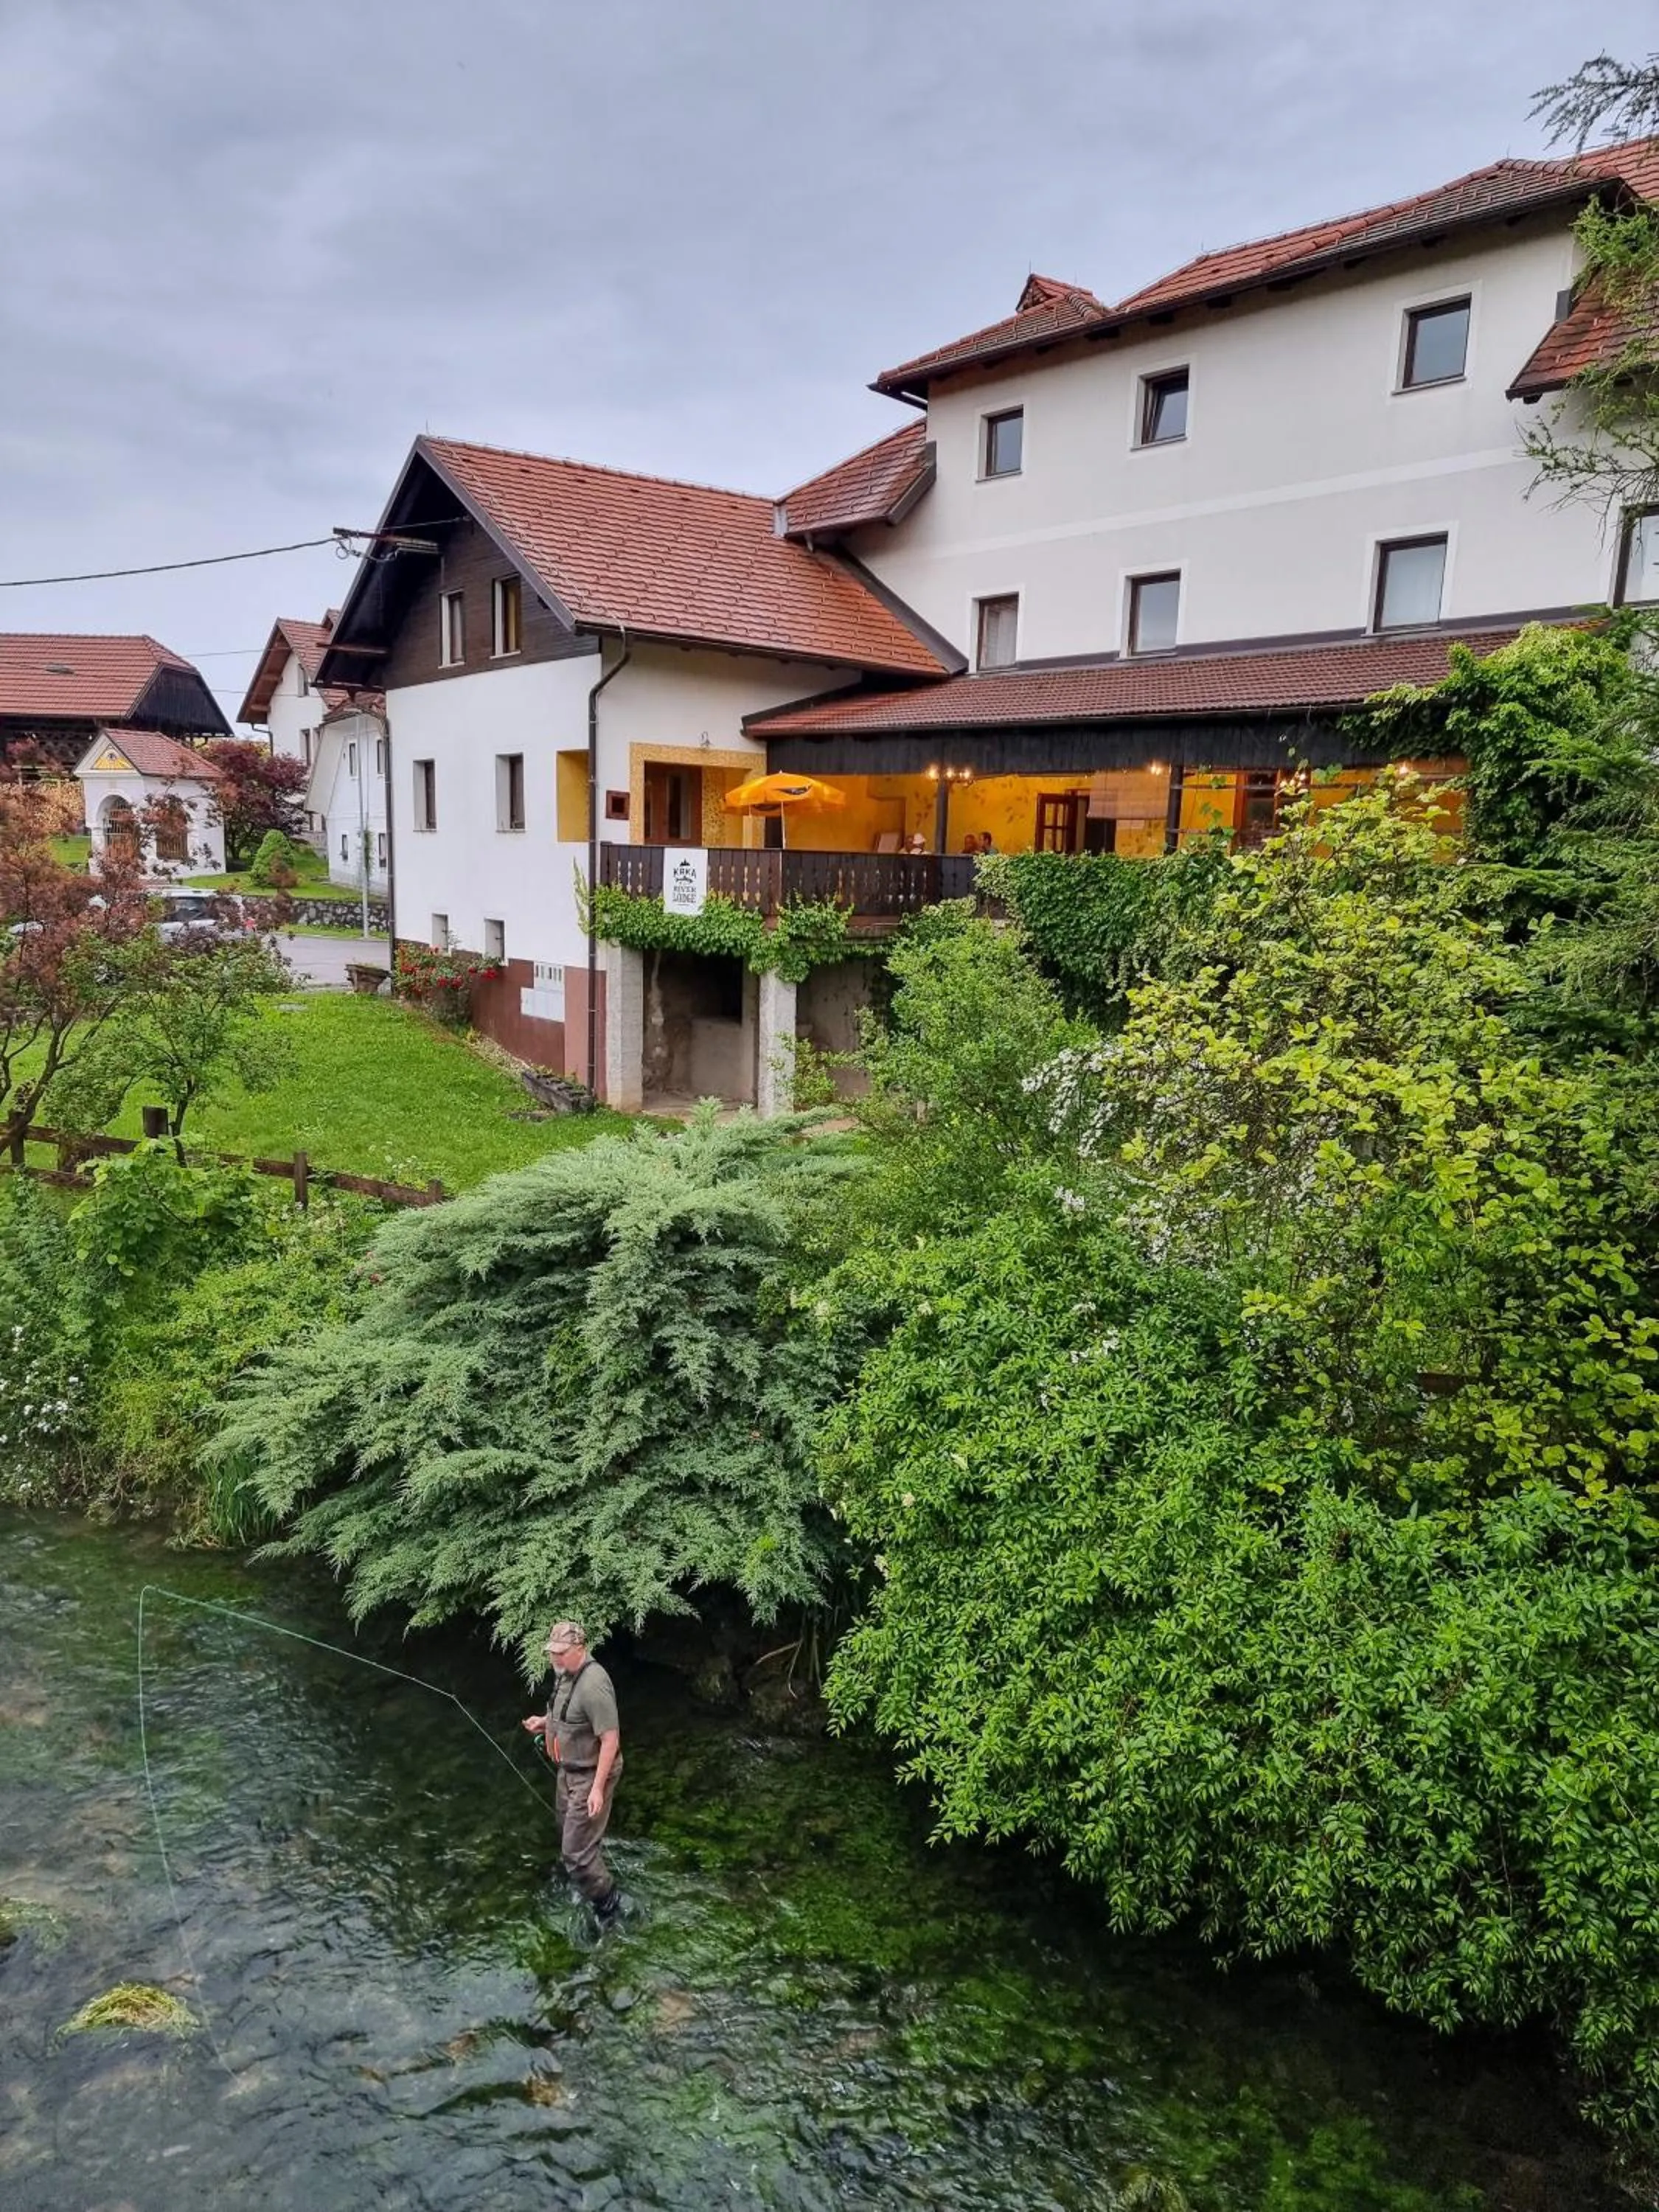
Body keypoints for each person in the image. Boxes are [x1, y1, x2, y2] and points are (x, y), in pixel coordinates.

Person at [523, 1618, 624, 1927]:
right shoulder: (565, 1674)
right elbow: (565, 1711)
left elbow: (610, 1740)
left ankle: (610, 1907)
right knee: (567, 1831)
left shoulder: (594, 1685)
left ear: (580, 1648)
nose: (554, 1658)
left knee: (577, 1852)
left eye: (561, 1652)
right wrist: (545, 1723)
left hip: (590, 1775)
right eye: (552, 1652)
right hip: (568, 1771)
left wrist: (597, 1789)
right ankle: (585, 1876)